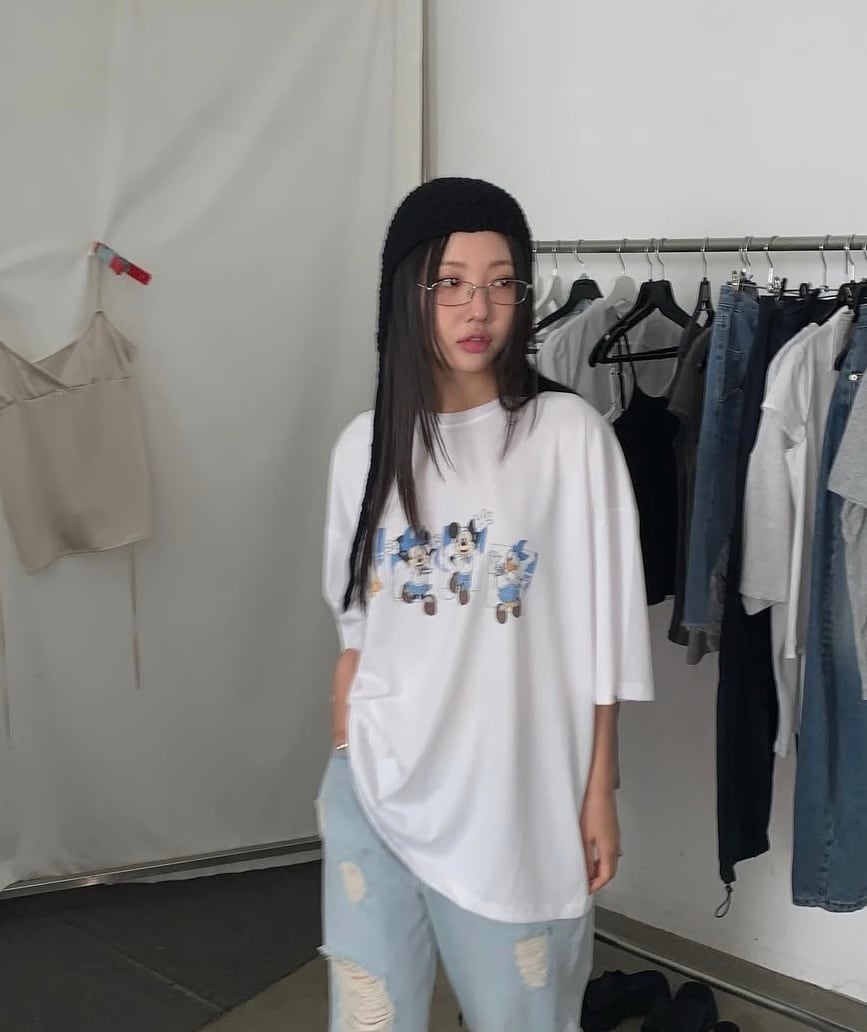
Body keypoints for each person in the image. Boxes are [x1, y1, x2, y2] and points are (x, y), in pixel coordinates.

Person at [319, 177, 654, 1032]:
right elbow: (355, 618)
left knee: (524, 1017)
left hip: (516, 799)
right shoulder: (364, 446)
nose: (479, 307)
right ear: (406, 294)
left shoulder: (567, 437)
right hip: (374, 786)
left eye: (501, 282)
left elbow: (607, 633)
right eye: (450, 282)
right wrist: (347, 726)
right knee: (369, 1018)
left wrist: (598, 787)